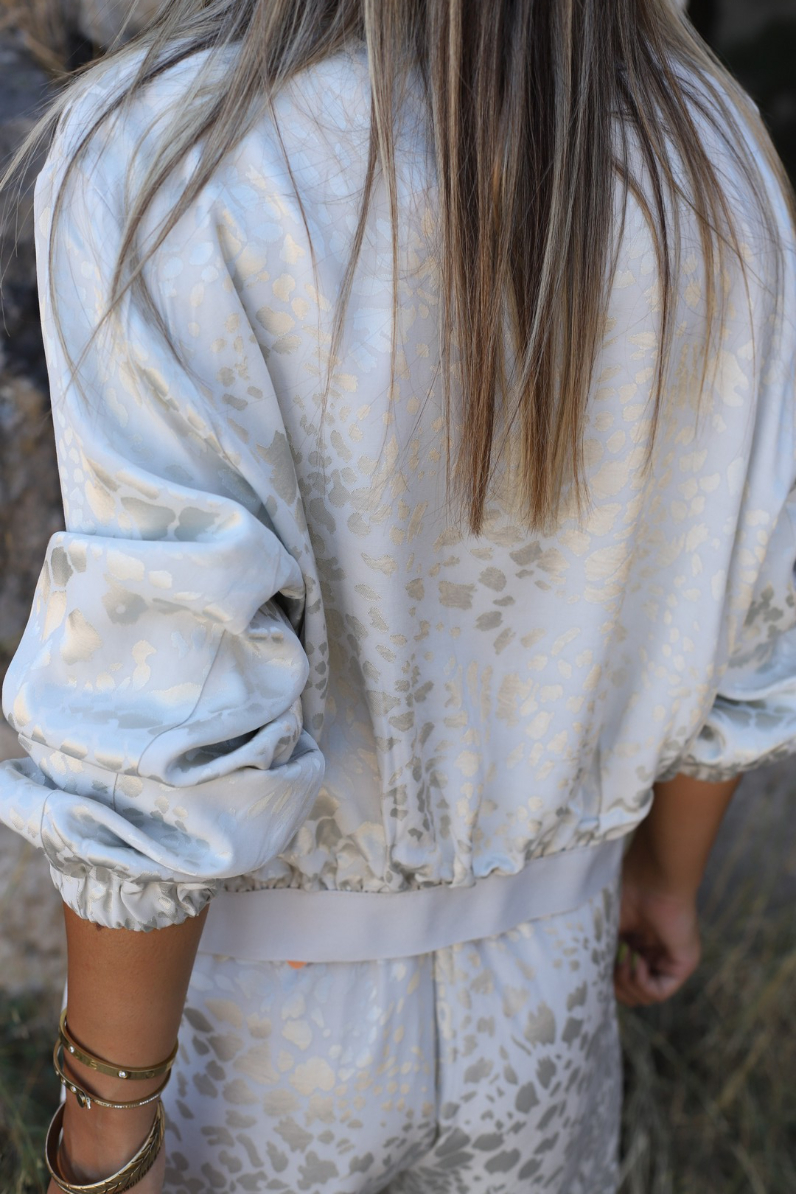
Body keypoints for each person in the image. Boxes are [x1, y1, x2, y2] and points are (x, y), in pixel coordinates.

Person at [1, 1, 795, 1191]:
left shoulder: (172, 155)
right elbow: (754, 606)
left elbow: (162, 678)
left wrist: (108, 1120)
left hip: (263, 1026)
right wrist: (664, 882)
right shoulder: (711, 151)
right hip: (549, 1001)